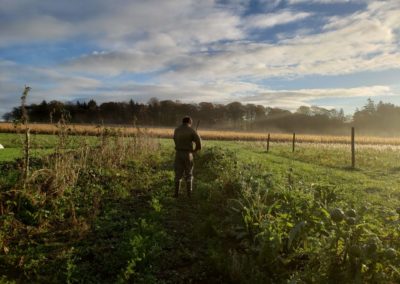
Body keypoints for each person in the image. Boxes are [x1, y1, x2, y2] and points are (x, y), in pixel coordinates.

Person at [173, 116, 201, 198]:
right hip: (188, 154)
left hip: (178, 154)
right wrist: (194, 151)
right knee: (189, 174)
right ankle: (189, 195)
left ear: (183, 122)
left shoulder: (176, 130)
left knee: (178, 174)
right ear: (189, 122)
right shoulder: (192, 130)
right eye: (191, 122)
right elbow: (199, 146)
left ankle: (176, 194)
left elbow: (174, 139)